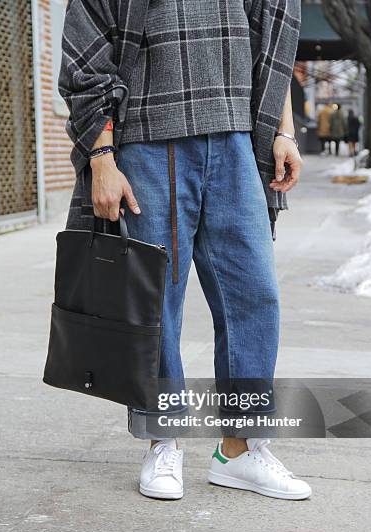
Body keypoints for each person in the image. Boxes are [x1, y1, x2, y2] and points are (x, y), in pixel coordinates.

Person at [59, 0, 311, 501]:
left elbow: (271, 48)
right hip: (149, 140)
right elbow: (87, 58)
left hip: (238, 140)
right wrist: (102, 158)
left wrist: (283, 130)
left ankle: (239, 451)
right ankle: (163, 438)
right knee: (155, 301)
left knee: (254, 297)